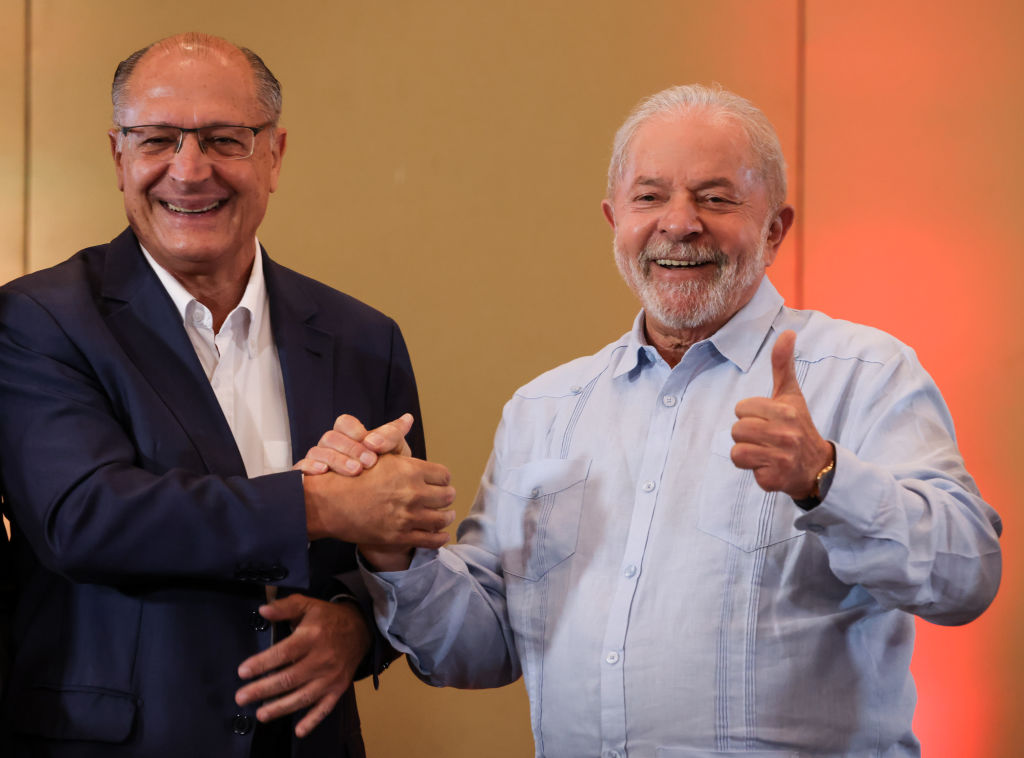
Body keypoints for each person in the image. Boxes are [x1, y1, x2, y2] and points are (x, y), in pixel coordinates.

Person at [311, 85, 1003, 757]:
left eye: (715, 198)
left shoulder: (864, 372)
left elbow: (966, 576)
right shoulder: (544, 409)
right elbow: (477, 648)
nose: (679, 222)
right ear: (614, 220)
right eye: (650, 197)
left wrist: (825, 476)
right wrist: (391, 547)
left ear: (775, 230)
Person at [0, 33, 455, 758]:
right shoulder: (39, 319)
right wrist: (318, 504)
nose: (189, 170)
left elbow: (396, 555)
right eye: (158, 139)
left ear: (274, 155)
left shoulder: (364, 339)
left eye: (224, 139)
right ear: (118, 156)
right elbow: (85, 517)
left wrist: (357, 627)